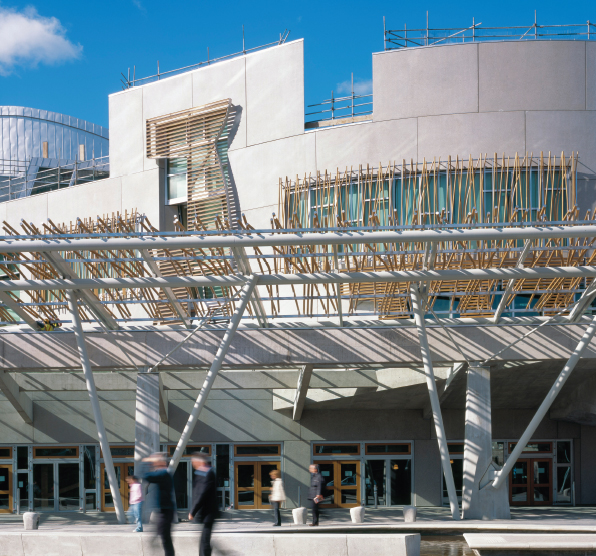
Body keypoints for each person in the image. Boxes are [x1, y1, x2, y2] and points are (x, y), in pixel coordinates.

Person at [143, 453, 176, 556]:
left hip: (165, 512)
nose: (153, 463)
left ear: (161, 462)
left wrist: (147, 462)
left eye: (155, 461)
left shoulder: (164, 473)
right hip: (163, 511)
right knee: (164, 539)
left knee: (164, 539)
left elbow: (146, 476)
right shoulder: (164, 473)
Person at [188, 453, 218, 556]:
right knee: (205, 539)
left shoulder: (206, 472)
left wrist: (193, 511)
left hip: (208, 512)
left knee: (204, 540)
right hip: (207, 512)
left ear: (199, 461)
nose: (192, 464)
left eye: (193, 462)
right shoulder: (204, 472)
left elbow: (202, 493)